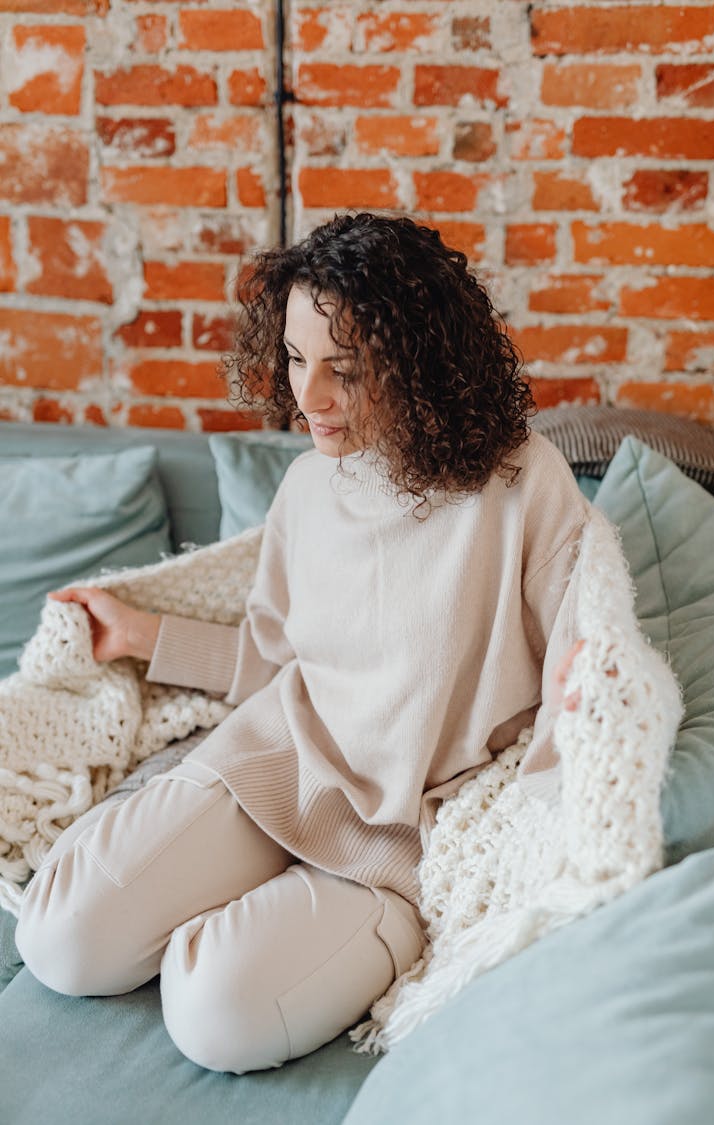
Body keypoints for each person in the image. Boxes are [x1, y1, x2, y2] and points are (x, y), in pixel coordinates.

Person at [15, 212, 590, 1073]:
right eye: (293, 358)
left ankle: (252, 923)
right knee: (57, 937)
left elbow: (578, 685)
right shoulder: (306, 485)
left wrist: (535, 830)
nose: (307, 396)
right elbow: (275, 662)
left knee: (214, 1017)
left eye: (344, 369)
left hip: (397, 836)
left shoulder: (521, 484)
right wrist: (143, 637)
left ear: (416, 359)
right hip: (271, 765)